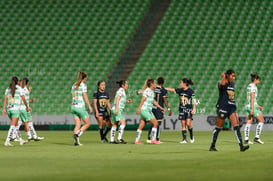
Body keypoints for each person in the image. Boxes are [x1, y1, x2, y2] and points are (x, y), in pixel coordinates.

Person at [209, 69, 249, 152]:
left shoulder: (232, 84)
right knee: (218, 128)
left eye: (234, 76)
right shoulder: (223, 82)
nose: (234, 78)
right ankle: (212, 145)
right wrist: (224, 76)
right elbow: (222, 85)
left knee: (236, 126)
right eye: (232, 76)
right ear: (228, 75)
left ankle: (241, 146)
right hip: (223, 107)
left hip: (231, 107)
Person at [2, 76, 31, 146]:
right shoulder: (19, 89)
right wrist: (27, 106)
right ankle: (7, 141)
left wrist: (3, 109)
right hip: (15, 109)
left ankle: (20, 140)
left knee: (15, 125)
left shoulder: (8, 89)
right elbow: (23, 98)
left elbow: (5, 99)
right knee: (12, 126)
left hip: (9, 109)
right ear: (17, 82)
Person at [134, 79, 165, 145]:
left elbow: (153, 101)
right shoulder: (147, 91)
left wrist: (160, 108)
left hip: (147, 110)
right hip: (145, 110)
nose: (155, 84)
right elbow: (142, 100)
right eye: (154, 83)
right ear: (151, 84)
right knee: (155, 123)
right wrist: (139, 109)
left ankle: (136, 141)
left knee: (141, 125)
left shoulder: (151, 91)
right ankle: (153, 140)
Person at [166, 78, 196, 144]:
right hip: (181, 109)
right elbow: (172, 89)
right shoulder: (180, 90)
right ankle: (184, 139)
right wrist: (163, 88)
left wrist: (194, 109)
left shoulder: (191, 91)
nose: (180, 84)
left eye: (181, 83)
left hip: (188, 109)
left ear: (184, 84)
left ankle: (191, 135)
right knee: (183, 124)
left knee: (188, 124)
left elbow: (194, 100)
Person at [147, 77, 171, 143]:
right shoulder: (163, 90)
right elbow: (165, 100)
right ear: (163, 82)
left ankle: (149, 137)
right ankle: (157, 138)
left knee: (152, 123)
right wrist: (168, 109)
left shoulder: (153, 88)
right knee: (158, 123)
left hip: (152, 107)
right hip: (158, 108)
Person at [71, 72, 92, 146]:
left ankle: (76, 142)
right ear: (84, 78)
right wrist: (89, 106)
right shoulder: (83, 85)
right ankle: (77, 135)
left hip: (73, 106)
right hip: (80, 107)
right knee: (87, 123)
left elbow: (72, 97)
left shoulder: (73, 85)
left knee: (77, 125)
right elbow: (85, 96)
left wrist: (72, 105)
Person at [244, 74, 265, 144]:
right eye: (258, 80)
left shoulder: (249, 86)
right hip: (252, 106)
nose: (259, 82)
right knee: (261, 120)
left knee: (249, 122)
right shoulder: (254, 87)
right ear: (255, 79)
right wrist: (253, 109)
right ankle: (257, 137)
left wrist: (258, 105)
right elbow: (252, 98)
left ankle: (246, 139)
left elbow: (250, 98)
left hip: (247, 106)